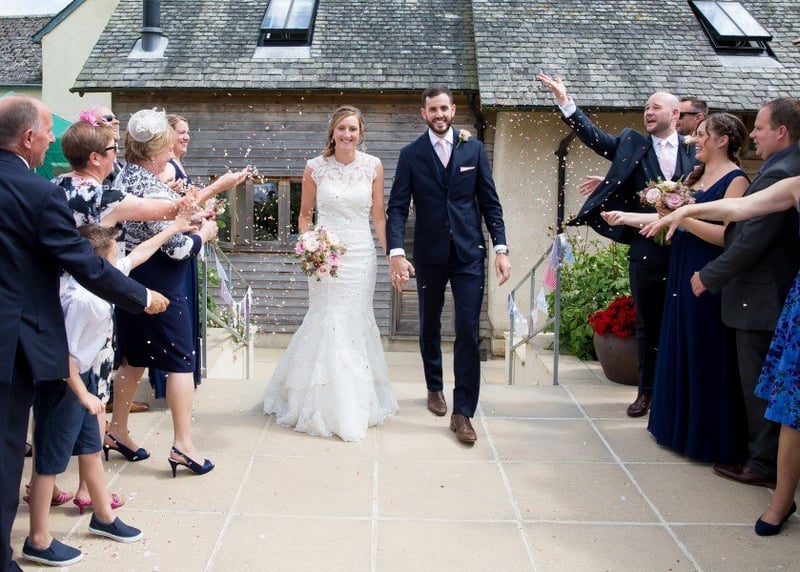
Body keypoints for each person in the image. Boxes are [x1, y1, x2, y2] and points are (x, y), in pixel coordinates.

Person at [0, 95, 167, 569]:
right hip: (12, 342)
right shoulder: (37, 193)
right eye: (46, 132)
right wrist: (139, 297)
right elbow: (83, 263)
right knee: (7, 452)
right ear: (27, 138)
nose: (50, 139)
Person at [25, 219, 192, 566]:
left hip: (86, 378)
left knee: (90, 448)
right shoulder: (79, 300)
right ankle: (38, 539)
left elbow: (141, 253)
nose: (119, 259)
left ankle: (103, 516)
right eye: (115, 254)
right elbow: (61, 353)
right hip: (64, 384)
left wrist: (175, 226)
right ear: (98, 263)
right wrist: (82, 393)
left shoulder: (104, 278)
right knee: (49, 462)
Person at [643, 174, 800, 535]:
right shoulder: (796, 184)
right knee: (793, 408)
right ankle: (781, 502)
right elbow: (740, 207)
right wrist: (685, 212)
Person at [536, 72, 697, 418]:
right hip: (646, 247)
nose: (648, 112)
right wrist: (565, 101)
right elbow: (594, 138)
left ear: (675, 114)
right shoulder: (632, 143)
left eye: (655, 107)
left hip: (688, 246)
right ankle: (646, 393)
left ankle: (678, 393)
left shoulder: (694, 149)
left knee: (682, 320)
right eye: (646, 108)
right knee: (646, 323)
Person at [600, 113, 750, 463]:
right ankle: (676, 429)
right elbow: (666, 217)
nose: (694, 140)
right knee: (677, 340)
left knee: (703, 345)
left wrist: (685, 217)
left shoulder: (737, 180)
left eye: (702, 134)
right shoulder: (693, 176)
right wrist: (625, 217)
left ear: (723, 140)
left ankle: (704, 436)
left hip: (706, 269)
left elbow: (727, 237)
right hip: (680, 265)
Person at [667, 98, 800, 487]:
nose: (753, 134)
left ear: (781, 131)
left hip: (762, 297)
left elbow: (749, 238)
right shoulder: (782, 168)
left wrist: (710, 275)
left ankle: (762, 465)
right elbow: (739, 213)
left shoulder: (784, 172)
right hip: (765, 294)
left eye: (759, 127)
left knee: (760, 383)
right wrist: (684, 211)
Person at [263, 105, 398, 441]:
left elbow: (378, 217)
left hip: (361, 256)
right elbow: (305, 216)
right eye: (342, 128)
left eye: (353, 129)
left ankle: (355, 401)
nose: (347, 134)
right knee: (328, 318)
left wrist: (392, 254)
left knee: (354, 321)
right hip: (325, 257)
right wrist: (311, 246)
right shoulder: (315, 168)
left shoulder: (373, 166)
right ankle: (320, 402)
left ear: (360, 133)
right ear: (333, 132)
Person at [386, 86, 511, 444]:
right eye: (432, 110)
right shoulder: (410, 154)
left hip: (469, 252)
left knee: (468, 330)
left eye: (444, 108)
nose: (439, 115)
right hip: (429, 253)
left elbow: (490, 201)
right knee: (429, 323)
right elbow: (397, 207)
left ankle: (463, 413)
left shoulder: (473, 148)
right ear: (423, 114)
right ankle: (434, 387)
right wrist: (397, 251)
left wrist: (501, 248)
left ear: (453, 110)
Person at [110, 108, 219, 476]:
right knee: (181, 362)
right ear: (154, 151)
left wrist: (187, 219)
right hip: (162, 284)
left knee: (133, 359)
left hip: (131, 281)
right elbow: (177, 249)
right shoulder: (154, 188)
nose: (173, 152)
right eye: (168, 147)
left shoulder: (126, 176)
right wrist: (203, 234)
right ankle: (183, 445)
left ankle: (117, 430)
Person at [148, 113, 252, 400]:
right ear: (166, 136)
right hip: (173, 252)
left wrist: (199, 214)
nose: (186, 137)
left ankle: (177, 383)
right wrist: (218, 187)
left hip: (186, 245)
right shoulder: (168, 168)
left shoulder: (176, 164)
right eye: (181, 132)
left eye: (188, 132)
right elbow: (166, 207)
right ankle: (170, 382)